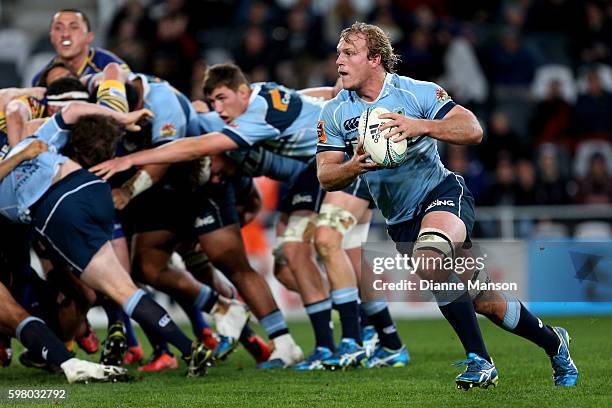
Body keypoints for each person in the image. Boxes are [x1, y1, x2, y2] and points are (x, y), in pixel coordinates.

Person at [316, 22, 578, 389]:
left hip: (440, 192)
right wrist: (354, 165)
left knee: (430, 259)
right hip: (400, 219)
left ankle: (480, 361)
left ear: (375, 59)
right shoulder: (334, 113)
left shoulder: (416, 92)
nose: (339, 60)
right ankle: (555, 342)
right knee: (485, 300)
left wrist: (419, 126)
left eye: (349, 53)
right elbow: (326, 176)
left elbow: (472, 130)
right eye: (339, 52)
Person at [92, 64, 339, 368]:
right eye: (213, 101)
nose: (219, 108)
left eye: (223, 99)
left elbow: (201, 149)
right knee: (149, 266)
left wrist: (129, 171)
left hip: (297, 176)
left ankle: (318, 334)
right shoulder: (233, 115)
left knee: (251, 261)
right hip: (185, 190)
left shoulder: (213, 123)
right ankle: (228, 310)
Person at [0, 103, 214, 377]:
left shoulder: (27, 145)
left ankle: (100, 338)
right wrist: (122, 118)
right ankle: (191, 349)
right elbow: (69, 110)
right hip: (95, 189)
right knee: (124, 287)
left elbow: (21, 108)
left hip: (59, 207)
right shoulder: (35, 140)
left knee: (108, 288)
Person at [31, 9, 129, 86]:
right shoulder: (41, 80)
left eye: (74, 27)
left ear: (89, 37)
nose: (65, 34)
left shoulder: (111, 66)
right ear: (51, 37)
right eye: (58, 28)